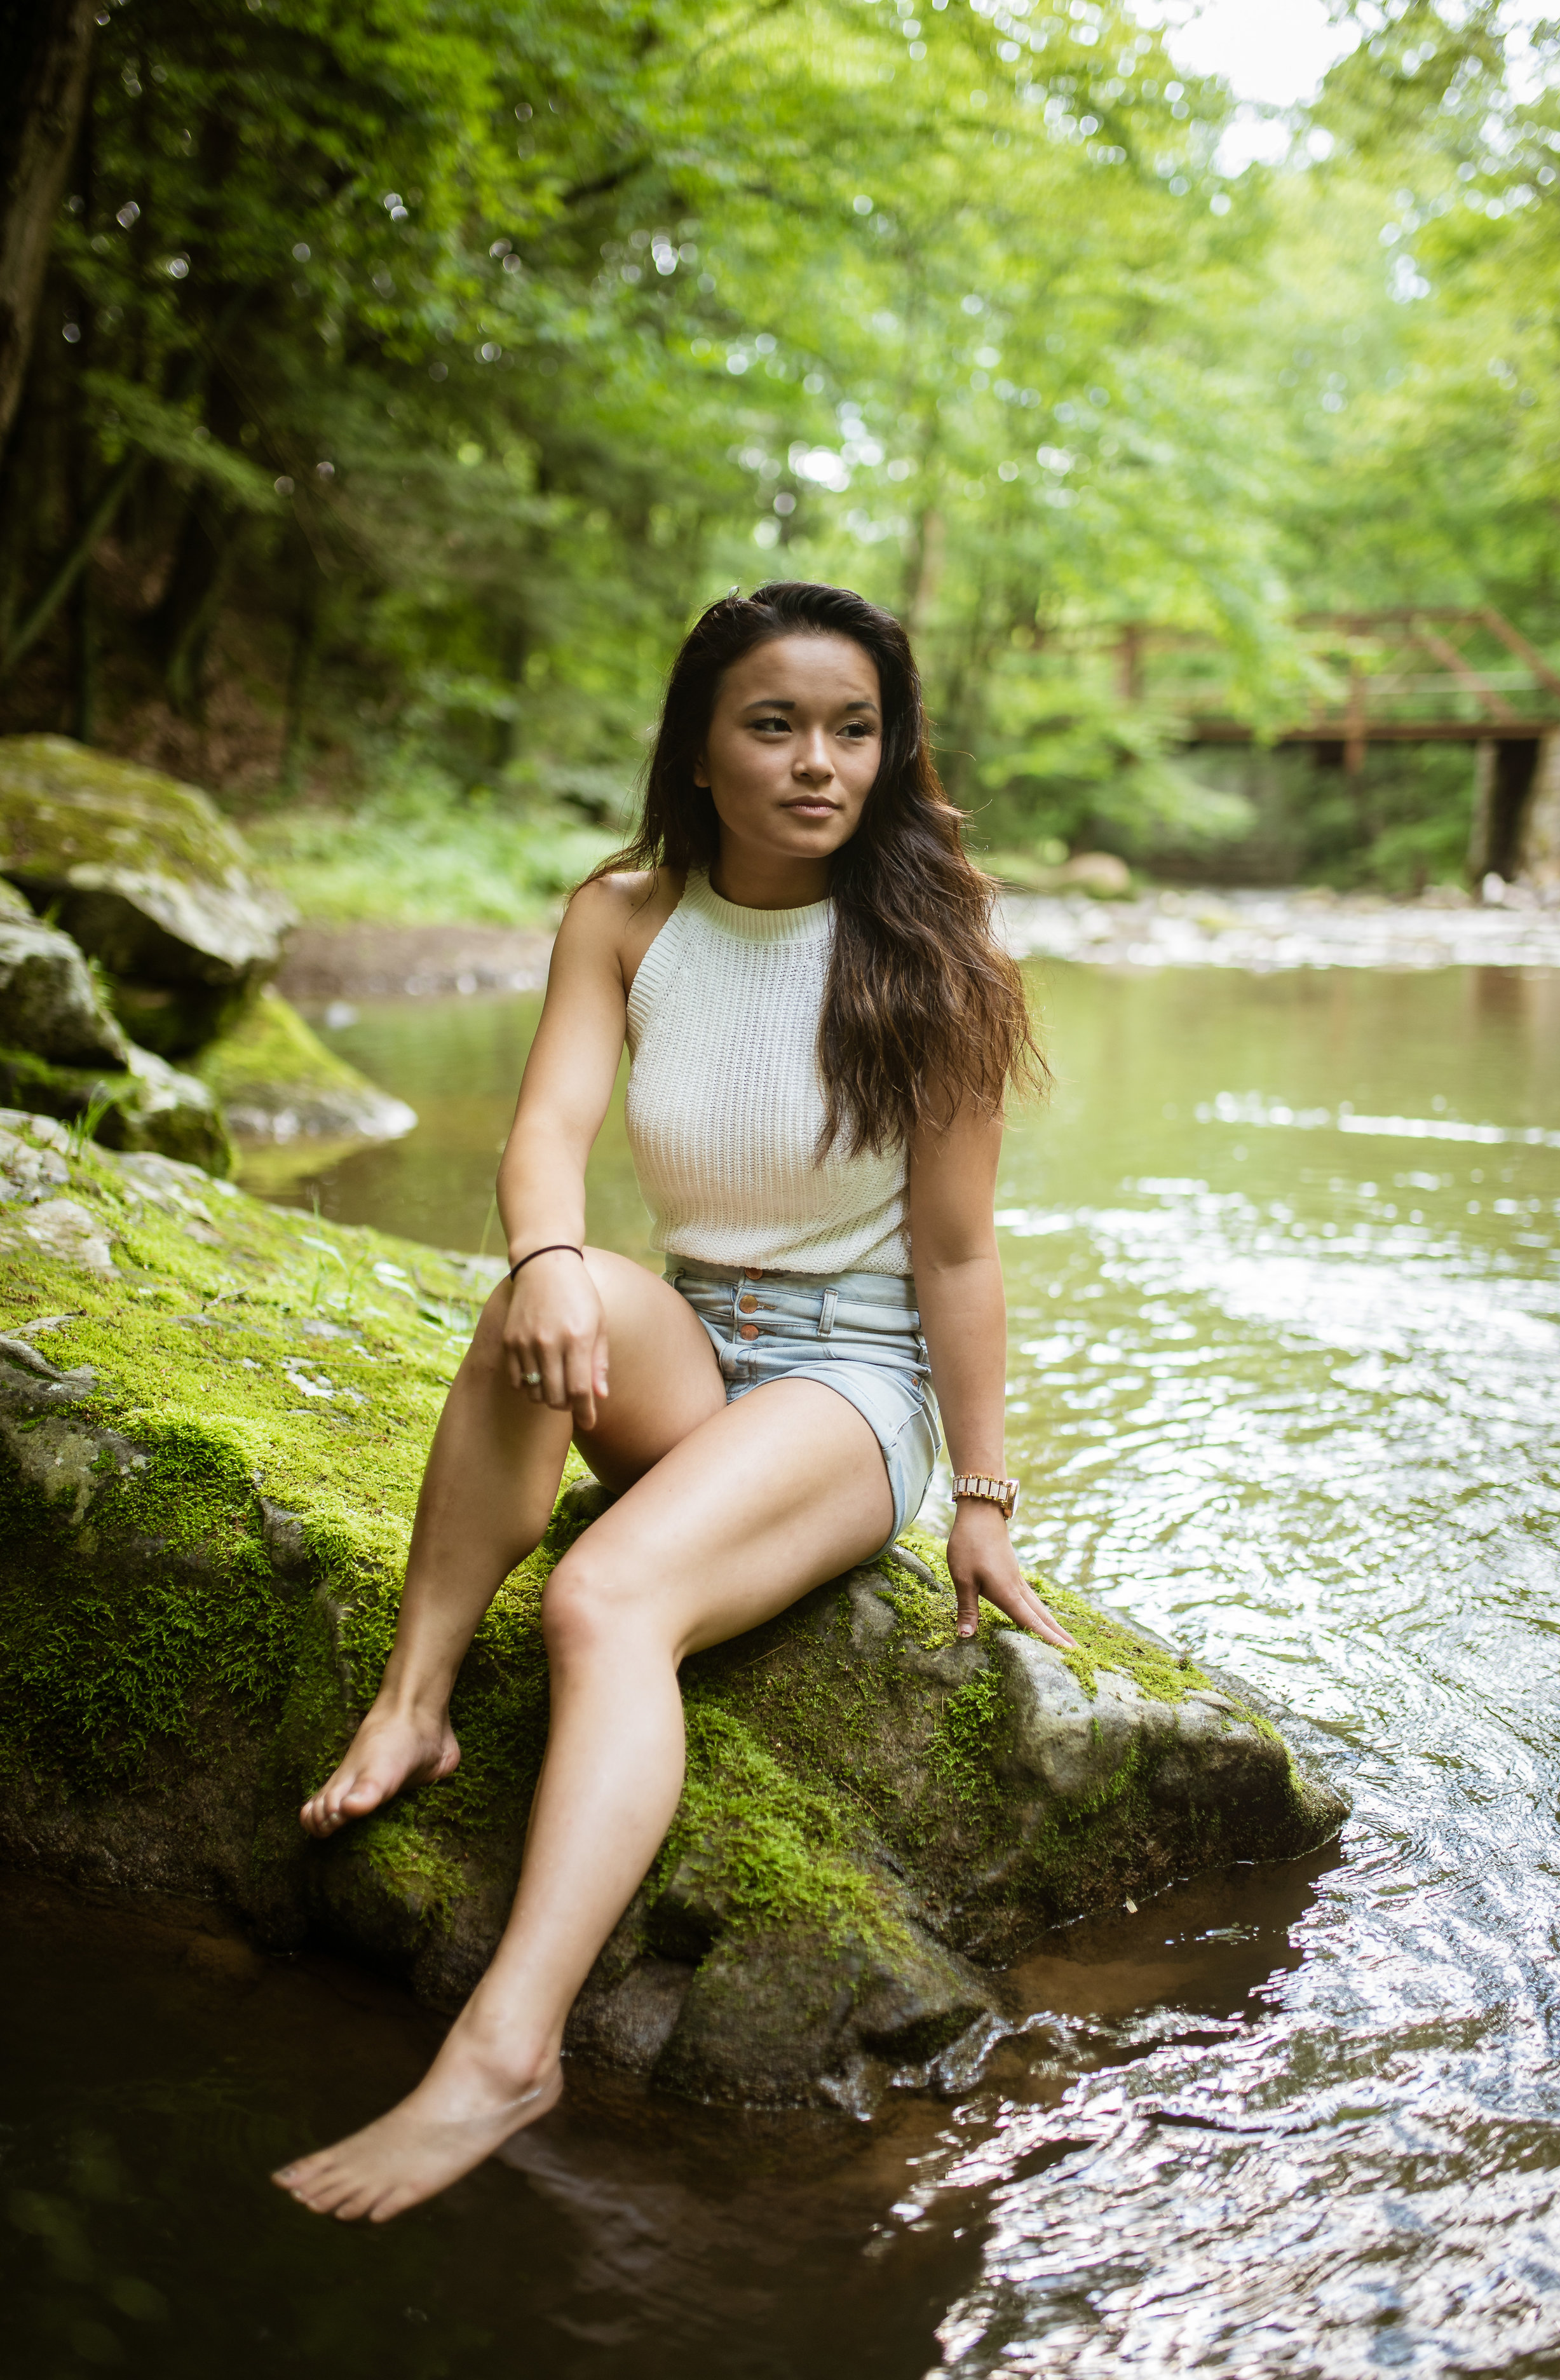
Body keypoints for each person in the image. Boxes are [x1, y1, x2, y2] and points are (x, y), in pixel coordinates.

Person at [271, 579, 1076, 2224]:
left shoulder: (937, 949)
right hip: (693, 1339)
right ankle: (416, 1696)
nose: (816, 762)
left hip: (851, 1386)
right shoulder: (626, 912)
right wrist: (553, 1257)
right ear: (699, 749)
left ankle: (508, 2044)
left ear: (892, 747)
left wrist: (979, 1501)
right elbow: (548, 1129)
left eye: (853, 728)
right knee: (526, 1302)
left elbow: (954, 1254)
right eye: (772, 724)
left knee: (605, 1593)